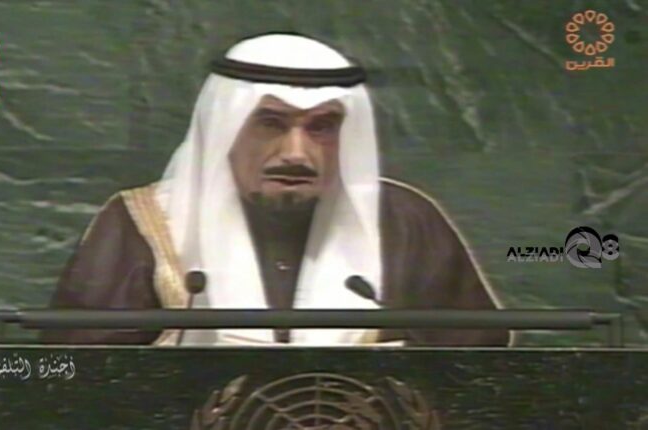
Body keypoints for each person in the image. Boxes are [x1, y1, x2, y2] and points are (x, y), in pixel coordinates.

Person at [42, 33, 511, 347]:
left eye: (322, 127)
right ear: (225, 127)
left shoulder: (404, 223)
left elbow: (481, 375)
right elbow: (75, 376)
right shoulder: (146, 224)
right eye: (270, 123)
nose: (297, 153)